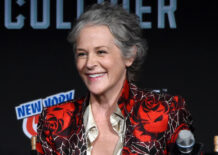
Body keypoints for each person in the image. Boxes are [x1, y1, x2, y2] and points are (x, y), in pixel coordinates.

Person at [36, 2, 193, 155]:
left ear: (130, 56)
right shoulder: (54, 120)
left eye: (101, 52)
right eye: (82, 54)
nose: (89, 64)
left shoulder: (167, 111)